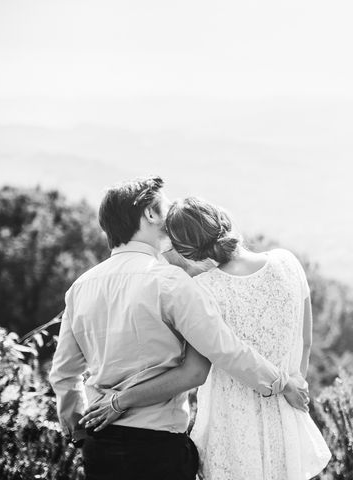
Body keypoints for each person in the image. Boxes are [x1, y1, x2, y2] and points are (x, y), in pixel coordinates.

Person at [49, 177, 309, 480]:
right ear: (149, 214)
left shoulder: (81, 287)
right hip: (157, 447)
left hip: (100, 446)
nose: (170, 214)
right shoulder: (170, 282)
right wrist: (280, 382)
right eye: (166, 206)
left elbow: (64, 374)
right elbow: (223, 349)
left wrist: (79, 429)